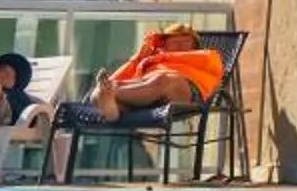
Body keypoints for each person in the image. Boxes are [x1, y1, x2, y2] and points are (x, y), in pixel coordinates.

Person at [89, 23, 222, 121]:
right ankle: (111, 109)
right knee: (108, 87)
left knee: (164, 79)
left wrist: (112, 89)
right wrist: (137, 59)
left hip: (184, 91)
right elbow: (116, 80)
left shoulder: (205, 57)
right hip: (147, 94)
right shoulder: (151, 60)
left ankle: (110, 97)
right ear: (164, 44)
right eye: (174, 41)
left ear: (195, 46)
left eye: (186, 41)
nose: (180, 45)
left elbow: (215, 74)